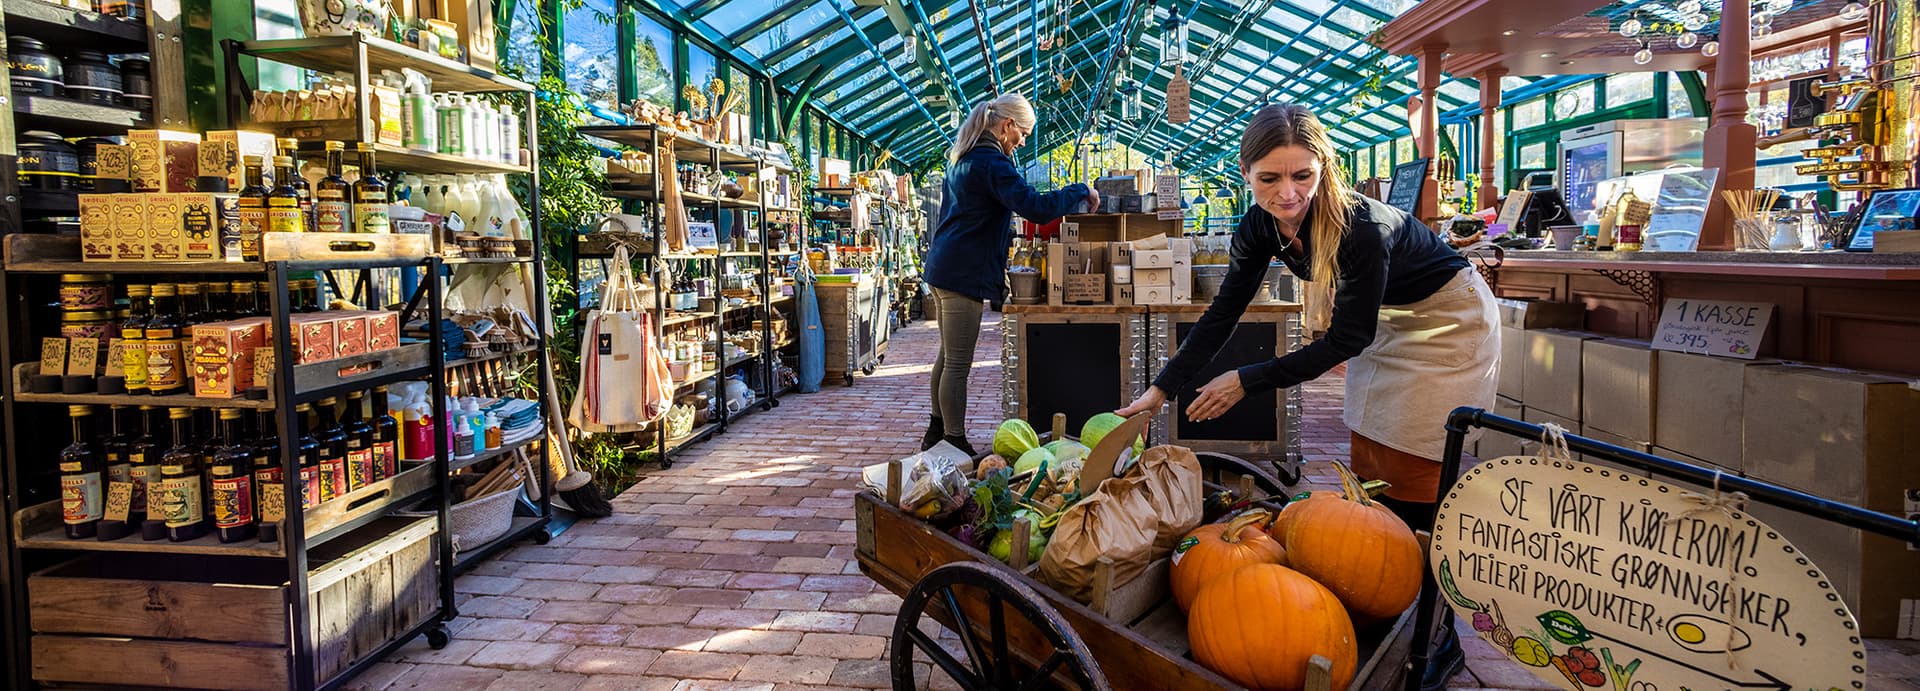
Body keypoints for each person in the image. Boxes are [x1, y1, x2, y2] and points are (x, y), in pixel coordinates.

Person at [1114, 103, 1496, 690]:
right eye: (1270, 178)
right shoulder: (1259, 226)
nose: (1287, 193)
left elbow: (1347, 339)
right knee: (1372, 456)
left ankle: (1435, 637)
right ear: (1246, 174)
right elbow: (1222, 315)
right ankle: (1385, 595)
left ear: (1324, 169)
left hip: (1449, 321)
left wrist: (1247, 379)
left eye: (1302, 176)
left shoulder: (1360, 228)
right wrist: (1159, 391)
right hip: (1387, 322)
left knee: (1416, 465)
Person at [921, 93, 1097, 455]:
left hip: (945, 267)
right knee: (957, 362)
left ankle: (936, 433)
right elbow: (1034, 207)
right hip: (961, 272)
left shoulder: (963, 157)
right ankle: (953, 441)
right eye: (1024, 134)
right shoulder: (992, 163)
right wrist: (1081, 190)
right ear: (1007, 126)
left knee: (947, 356)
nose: (1022, 142)